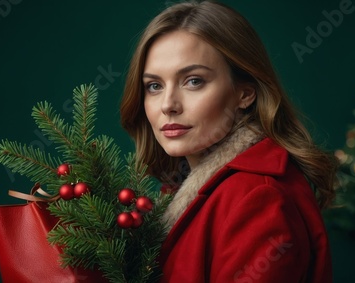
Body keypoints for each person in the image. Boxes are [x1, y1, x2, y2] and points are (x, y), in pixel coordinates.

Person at [120, 1, 338, 282]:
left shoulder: (260, 198)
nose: (168, 105)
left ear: (244, 94)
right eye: (154, 86)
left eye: (193, 81)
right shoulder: (196, 187)